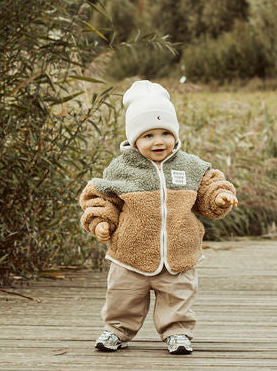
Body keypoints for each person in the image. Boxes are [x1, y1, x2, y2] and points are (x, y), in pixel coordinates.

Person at [79, 80, 238, 355]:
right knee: (123, 297)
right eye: (148, 135)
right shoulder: (122, 168)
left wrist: (219, 196)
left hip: (178, 252)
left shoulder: (190, 166)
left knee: (178, 296)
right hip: (130, 252)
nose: (159, 141)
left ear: (175, 135)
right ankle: (116, 330)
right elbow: (100, 197)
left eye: (166, 133)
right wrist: (101, 222)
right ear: (134, 139)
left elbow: (209, 187)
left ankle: (176, 332)